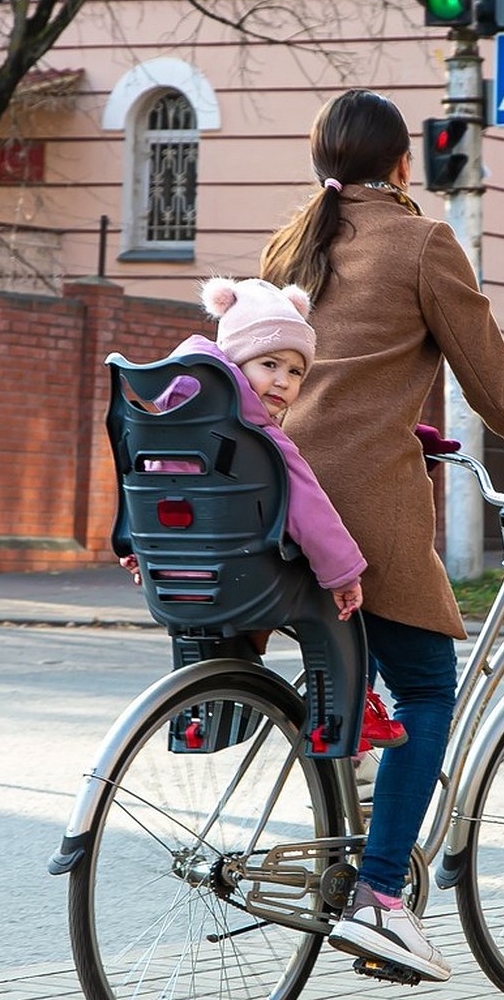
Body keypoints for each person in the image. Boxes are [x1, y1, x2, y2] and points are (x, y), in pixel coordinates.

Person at [259, 88, 504, 983]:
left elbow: (318, 376)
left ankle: (356, 838)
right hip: (358, 509)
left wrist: (399, 423)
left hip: (274, 493)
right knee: (427, 688)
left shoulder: (291, 243)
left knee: (358, 682)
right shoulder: (423, 241)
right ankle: (381, 894)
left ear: (321, 166)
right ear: (402, 166)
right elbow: (494, 387)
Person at [119, 277, 405, 747]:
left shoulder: (163, 419)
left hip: (171, 576)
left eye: (295, 372)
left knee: (223, 624)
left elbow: (143, 484)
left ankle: (195, 723)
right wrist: (343, 574)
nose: (283, 382)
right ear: (234, 359)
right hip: (241, 576)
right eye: (269, 364)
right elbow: (310, 509)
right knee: (337, 608)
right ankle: (341, 723)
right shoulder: (256, 433)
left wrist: (138, 549)